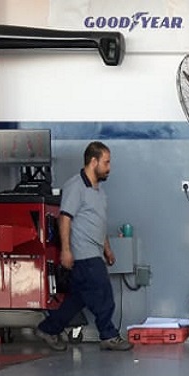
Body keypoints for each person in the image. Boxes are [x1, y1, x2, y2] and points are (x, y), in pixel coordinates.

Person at [34, 141, 133, 352]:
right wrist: (66, 250)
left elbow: (98, 223)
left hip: (95, 253)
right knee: (104, 294)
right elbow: (64, 218)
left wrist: (107, 249)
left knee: (77, 300)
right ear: (93, 161)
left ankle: (48, 329)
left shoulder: (99, 192)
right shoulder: (75, 187)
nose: (109, 168)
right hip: (84, 254)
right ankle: (108, 335)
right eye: (106, 162)